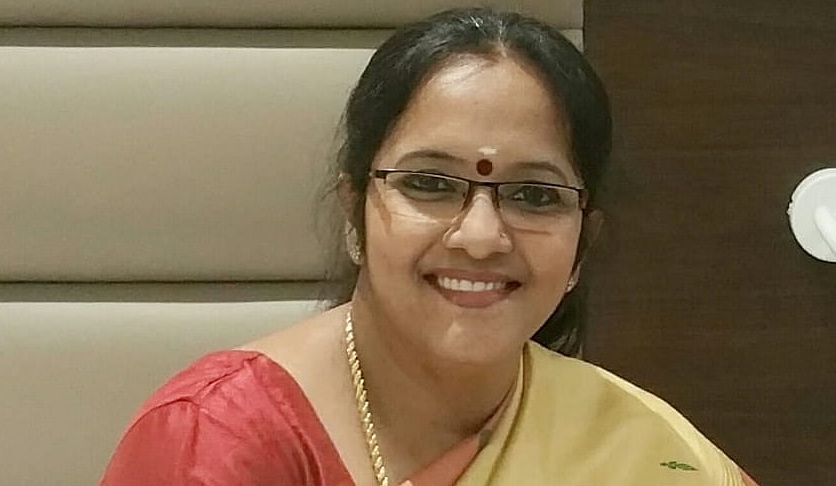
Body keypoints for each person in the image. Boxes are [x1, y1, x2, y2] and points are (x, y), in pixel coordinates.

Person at [101, 8, 759, 486]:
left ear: (582, 246)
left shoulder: (642, 451)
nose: (481, 236)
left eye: (534, 195)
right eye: (430, 184)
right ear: (354, 214)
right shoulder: (216, 441)